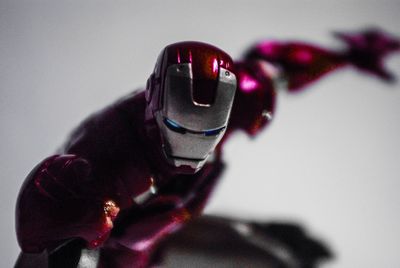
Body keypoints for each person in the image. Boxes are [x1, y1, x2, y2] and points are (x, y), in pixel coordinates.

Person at [15, 29, 399, 268]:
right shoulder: (93, 165)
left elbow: (278, 66)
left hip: (170, 227)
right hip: (125, 255)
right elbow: (49, 254)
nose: (192, 150)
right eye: (180, 130)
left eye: (210, 132)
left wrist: (347, 56)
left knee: (274, 259)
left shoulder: (242, 96)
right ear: (154, 105)